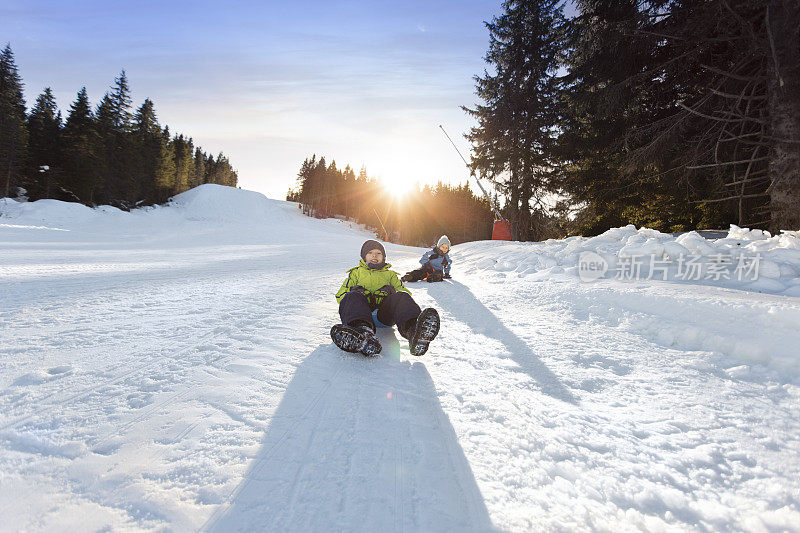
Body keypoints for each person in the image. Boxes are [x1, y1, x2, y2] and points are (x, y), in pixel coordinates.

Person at [331, 239, 440, 357]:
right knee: (352, 296)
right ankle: (363, 335)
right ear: (364, 257)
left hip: (384, 315)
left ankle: (414, 331)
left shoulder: (390, 274)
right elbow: (341, 296)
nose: (374, 255)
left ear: (383, 257)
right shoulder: (356, 273)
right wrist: (355, 291)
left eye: (378, 253)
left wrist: (391, 292)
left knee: (402, 297)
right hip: (361, 314)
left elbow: (403, 291)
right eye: (370, 253)